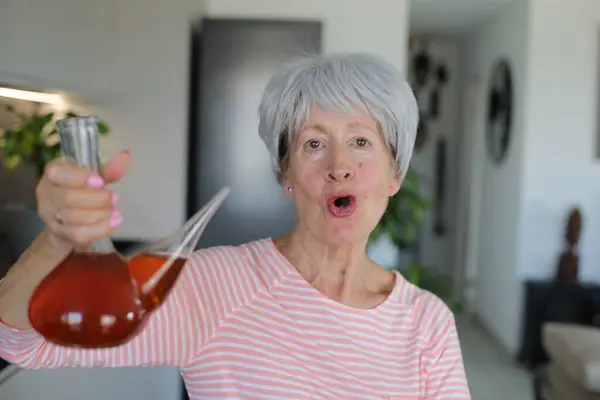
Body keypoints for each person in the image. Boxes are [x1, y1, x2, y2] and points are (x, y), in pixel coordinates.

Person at [0, 52, 471, 399]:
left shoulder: (426, 324)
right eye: (313, 144)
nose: (339, 165)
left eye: (362, 141)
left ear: (396, 175)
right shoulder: (213, 288)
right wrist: (59, 239)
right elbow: (23, 342)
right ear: (285, 173)